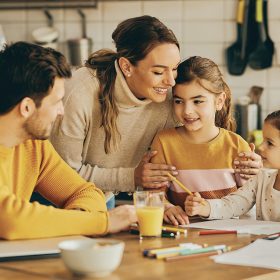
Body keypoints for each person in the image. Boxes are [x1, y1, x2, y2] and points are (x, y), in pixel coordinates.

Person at [50, 16, 260, 200]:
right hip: (54, 198)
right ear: (126, 66)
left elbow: (196, 148)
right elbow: (60, 175)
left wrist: (248, 165)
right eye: (159, 72)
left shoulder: (172, 98)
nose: (170, 82)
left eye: (175, 69)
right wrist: (132, 177)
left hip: (102, 198)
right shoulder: (79, 92)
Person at [0, 41, 136, 240]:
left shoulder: (34, 145)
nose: (61, 112)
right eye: (56, 102)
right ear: (27, 107)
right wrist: (104, 222)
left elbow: (86, 192)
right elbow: (10, 220)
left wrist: (80, 220)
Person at [150, 56, 262, 226]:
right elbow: (153, 194)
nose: (187, 111)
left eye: (197, 101)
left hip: (229, 235)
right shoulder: (164, 142)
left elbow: (249, 201)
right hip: (182, 235)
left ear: (219, 101)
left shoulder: (237, 145)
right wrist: (166, 207)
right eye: (179, 101)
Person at [185, 110, 280, 221]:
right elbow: (234, 204)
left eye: (270, 143)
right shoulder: (261, 177)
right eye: (263, 140)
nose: (261, 147)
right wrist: (204, 207)